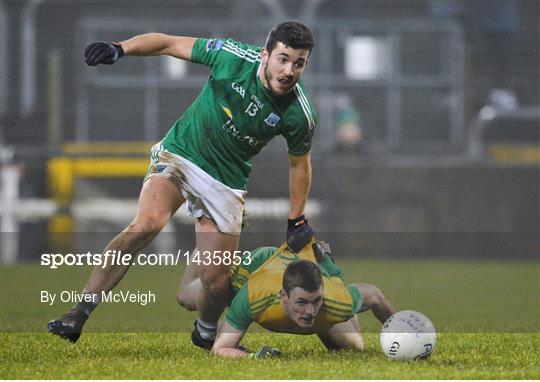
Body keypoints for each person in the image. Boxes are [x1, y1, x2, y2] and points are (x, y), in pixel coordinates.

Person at [48, 21, 318, 346]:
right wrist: (120, 49)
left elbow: (299, 164)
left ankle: (204, 331)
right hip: (181, 153)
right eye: (283, 59)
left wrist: (296, 218)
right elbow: (167, 43)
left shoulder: (300, 114)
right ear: (265, 55)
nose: (289, 70)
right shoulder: (231, 57)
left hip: (225, 182)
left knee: (216, 285)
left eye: (299, 63)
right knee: (147, 224)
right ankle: (79, 312)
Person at [177, 240, 396, 357]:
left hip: (308, 267)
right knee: (188, 297)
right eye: (302, 303)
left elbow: (375, 295)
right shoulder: (255, 295)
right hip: (260, 265)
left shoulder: (336, 299)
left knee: (354, 348)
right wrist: (255, 357)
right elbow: (221, 349)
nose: (310, 311)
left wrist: (401, 330)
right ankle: (208, 243)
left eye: (315, 301)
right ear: (283, 297)